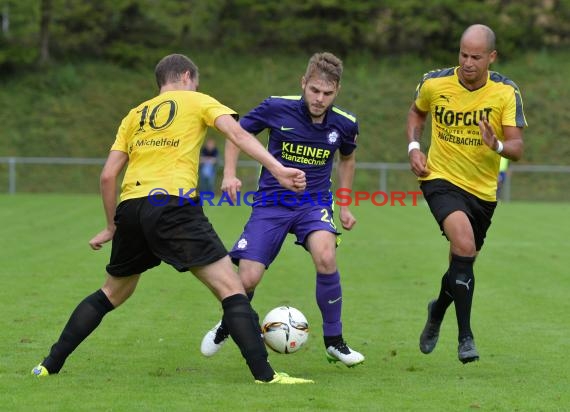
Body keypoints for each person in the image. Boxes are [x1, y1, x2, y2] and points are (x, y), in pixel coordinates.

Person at [31, 53, 313, 384]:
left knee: (111, 293)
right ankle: (266, 376)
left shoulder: (134, 114)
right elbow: (237, 134)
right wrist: (277, 168)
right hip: (172, 205)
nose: (196, 87)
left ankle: (49, 364)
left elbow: (108, 176)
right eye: (196, 81)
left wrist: (111, 226)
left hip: (132, 207)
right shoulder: (197, 101)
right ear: (185, 76)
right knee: (231, 288)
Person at [200, 52, 365, 367]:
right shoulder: (276, 107)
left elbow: (347, 159)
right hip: (272, 203)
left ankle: (335, 341)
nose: (319, 99)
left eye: (327, 93)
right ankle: (227, 324)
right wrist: (230, 173)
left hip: (313, 203)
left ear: (337, 91)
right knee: (247, 278)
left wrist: (344, 204)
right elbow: (237, 134)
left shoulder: (345, 124)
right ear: (303, 83)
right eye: (314, 90)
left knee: (327, 255)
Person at [407, 24, 526, 363]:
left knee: (462, 263)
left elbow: (517, 148)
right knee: (463, 245)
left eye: (476, 56)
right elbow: (417, 111)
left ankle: (437, 310)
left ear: (491, 57)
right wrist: (415, 147)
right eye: (463, 54)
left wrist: (497, 144)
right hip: (439, 177)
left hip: (483, 193)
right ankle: (465, 337)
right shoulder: (434, 82)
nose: (468, 62)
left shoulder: (505, 92)